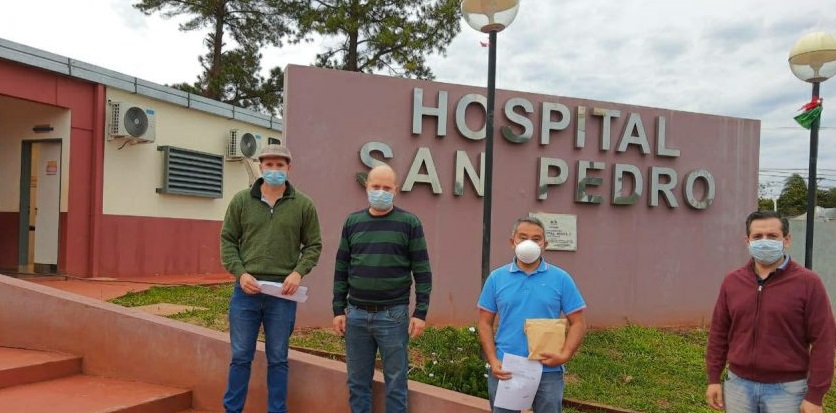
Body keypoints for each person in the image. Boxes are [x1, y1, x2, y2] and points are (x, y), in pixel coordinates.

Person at [220, 144, 322, 413]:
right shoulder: (241, 201)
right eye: (269, 165)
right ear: (261, 167)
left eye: (280, 165)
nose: (274, 170)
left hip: (282, 294)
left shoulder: (303, 205)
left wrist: (298, 272)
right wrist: (240, 273)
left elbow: (314, 245)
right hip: (246, 291)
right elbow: (228, 240)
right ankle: (232, 410)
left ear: (289, 168)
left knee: (278, 358)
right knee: (240, 356)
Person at [705, 210, 835, 413]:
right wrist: (713, 378)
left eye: (772, 236)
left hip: (787, 391)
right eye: (757, 236)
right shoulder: (732, 282)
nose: (764, 241)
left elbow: (824, 340)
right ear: (747, 241)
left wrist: (815, 396)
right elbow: (719, 333)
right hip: (738, 386)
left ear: (786, 240)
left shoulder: (808, 283)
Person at [332, 164, 432, 413]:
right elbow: (341, 267)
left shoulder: (409, 223)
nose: (381, 192)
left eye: (387, 188)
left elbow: (422, 270)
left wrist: (420, 312)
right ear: (366, 187)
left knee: (396, 384)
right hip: (356, 315)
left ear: (395, 190)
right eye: (376, 186)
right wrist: (338, 309)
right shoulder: (353, 222)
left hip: (393, 315)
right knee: (357, 383)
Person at [477, 216, 587, 413]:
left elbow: (578, 322)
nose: (529, 243)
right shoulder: (496, 278)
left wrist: (564, 355)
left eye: (536, 239)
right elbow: (485, 323)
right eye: (523, 237)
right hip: (506, 367)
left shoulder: (561, 279)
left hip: (548, 368)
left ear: (545, 244)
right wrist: (493, 360)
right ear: (512, 242)